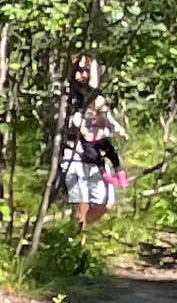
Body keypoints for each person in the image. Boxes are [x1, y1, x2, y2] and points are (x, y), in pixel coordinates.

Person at [55, 65, 128, 223]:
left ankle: (81, 230)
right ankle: (75, 238)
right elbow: (65, 124)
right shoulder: (64, 96)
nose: (84, 74)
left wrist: (106, 129)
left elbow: (107, 122)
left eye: (87, 70)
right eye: (80, 70)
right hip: (73, 154)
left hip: (95, 154)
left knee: (105, 203)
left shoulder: (95, 95)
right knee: (80, 201)